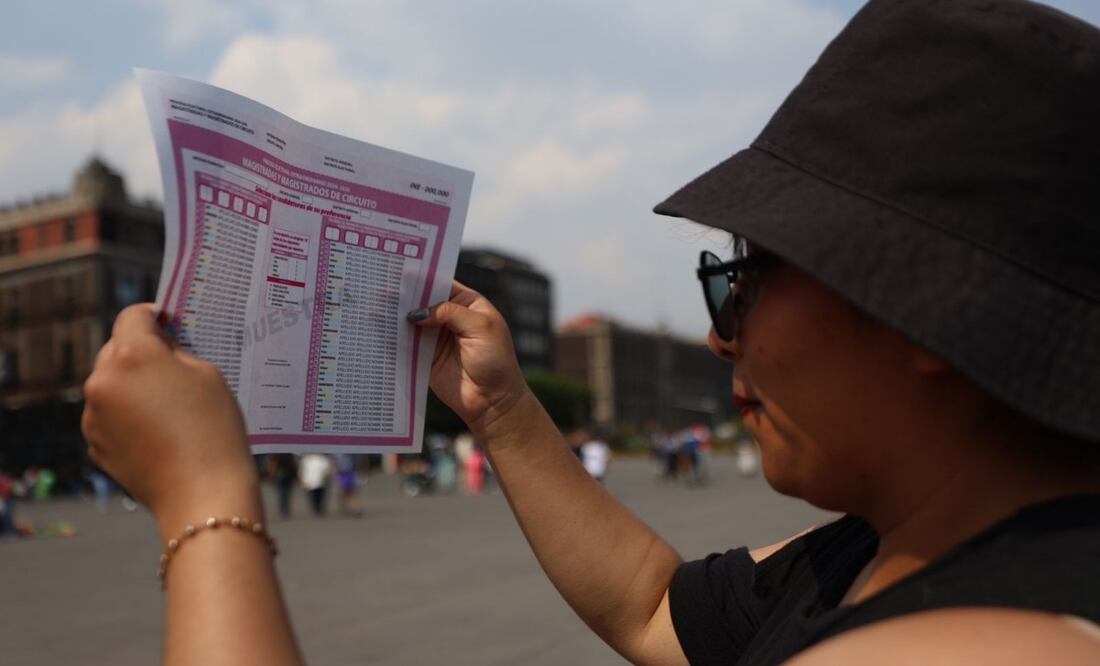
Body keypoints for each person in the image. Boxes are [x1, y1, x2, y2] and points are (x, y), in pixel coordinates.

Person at [80, 1, 1100, 664]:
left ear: (923, 306)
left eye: (745, 278)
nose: (722, 337)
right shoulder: (897, 552)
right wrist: (505, 413)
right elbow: (655, 611)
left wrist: (205, 500)